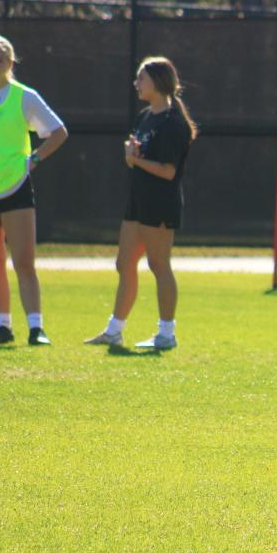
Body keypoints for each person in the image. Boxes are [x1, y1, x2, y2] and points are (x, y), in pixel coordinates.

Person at [85, 56, 196, 350]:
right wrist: (130, 155)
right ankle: (114, 330)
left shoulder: (173, 123)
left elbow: (169, 171)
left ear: (157, 83)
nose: (136, 84)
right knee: (124, 264)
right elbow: (138, 158)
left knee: (159, 265)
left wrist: (135, 160)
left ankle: (166, 334)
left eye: (141, 79)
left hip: (161, 203)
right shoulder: (145, 116)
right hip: (138, 200)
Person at [0, 34, 68, 346]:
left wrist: (35, 159)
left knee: (24, 261)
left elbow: (57, 132)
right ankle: (3, 326)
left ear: (10, 63)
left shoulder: (24, 97)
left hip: (16, 187)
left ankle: (35, 327)